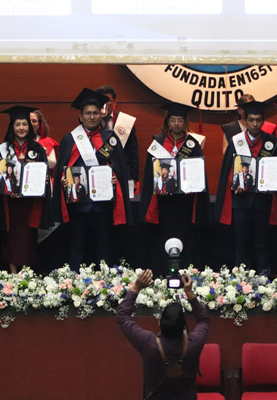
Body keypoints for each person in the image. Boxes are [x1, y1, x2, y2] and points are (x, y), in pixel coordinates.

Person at [53, 88, 132, 270]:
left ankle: (106, 279)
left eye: (95, 113)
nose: (92, 117)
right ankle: (73, 280)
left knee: (105, 247)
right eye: (88, 113)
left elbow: (120, 169)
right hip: (78, 205)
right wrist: (64, 181)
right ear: (80, 116)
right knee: (77, 247)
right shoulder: (70, 139)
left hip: (103, 205)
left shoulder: (110, 138)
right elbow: (62, 170)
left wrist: (115, 180)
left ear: (101, 114)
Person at [214, 101, 277, 272]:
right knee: (241, 242)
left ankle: (264, 275)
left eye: (258, 120)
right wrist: (234, 183)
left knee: (262, 242)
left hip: (263, 202)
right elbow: (227, 170)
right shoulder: (236, 142)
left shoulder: (273, 143)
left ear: (263, 121)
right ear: (245, 121)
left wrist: (273, 185)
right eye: (251, 120)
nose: (255, 124)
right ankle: (241, 276)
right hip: (240, 201)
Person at [116, 269, 210, 400]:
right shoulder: (194, 343)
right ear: (184, 327)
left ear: (160, 324)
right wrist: (189, 293)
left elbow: (122, 317)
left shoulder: (148, 344)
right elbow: (204, 320)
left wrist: (136, 287)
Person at [139, 103, 211, 273]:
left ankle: (185, 271)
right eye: (173, 120)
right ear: (167, 122)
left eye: (180, 120)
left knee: (184, 235)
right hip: (163, 203)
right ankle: (163, 271)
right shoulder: (157, 143)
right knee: (163, 236)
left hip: (184, 202)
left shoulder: (193, 144)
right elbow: (150, 175)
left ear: (185, 122)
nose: (176, 124)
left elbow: (199, 174)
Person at [0, 105, 53, 274]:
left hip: (30, 203)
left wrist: (44, 179)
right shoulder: (3, 149)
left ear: (30, 126)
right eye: (17, 124)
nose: (21, 128)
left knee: (28, 237)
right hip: (9, 204)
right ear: (12, 127)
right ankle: (12, 272)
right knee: (11, 237)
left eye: (25, 124)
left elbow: (43, 173)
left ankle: (26, 271)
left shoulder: (37, 149)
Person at [97, 85, 139, 189]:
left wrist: (134, 179)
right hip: (99, 172)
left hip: (122, 172)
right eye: (101, 100)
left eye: (108, 100)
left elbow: (133, 153)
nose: (104, 104)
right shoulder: (93, 120)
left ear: (115, 102)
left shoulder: (125, 122)